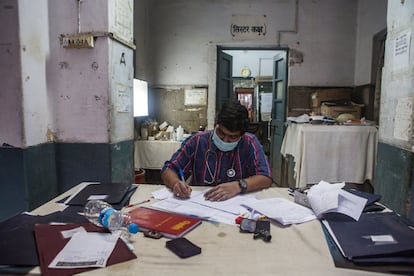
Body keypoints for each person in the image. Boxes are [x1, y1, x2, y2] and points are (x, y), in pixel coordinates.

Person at [161, 100, 272, 201]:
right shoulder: (197, 141)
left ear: (242, 135)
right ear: (215, 125)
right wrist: (175, 183)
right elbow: (169, 169)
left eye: (233, 137)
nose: (225, 140)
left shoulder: (250, 142)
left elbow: (265, 178)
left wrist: (239, 186)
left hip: (237, 204)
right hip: (201, 202)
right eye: (221, 133)